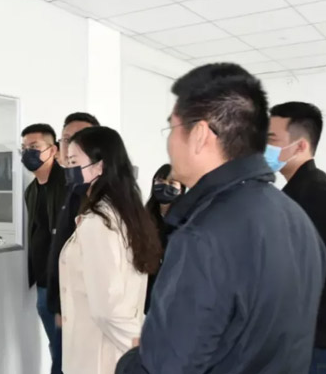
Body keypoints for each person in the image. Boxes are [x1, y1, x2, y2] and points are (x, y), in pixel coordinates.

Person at [116, 63, 326, 373]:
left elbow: (167, 366)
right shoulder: (295, 218)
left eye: (172, 128)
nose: (169, 143)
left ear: (200, 135)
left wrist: (132, 360)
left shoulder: (204, 234)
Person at [59, 126, 162, 374]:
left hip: (99, 355)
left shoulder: (99, 223)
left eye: (73, 162)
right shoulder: (124, 211)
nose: (68, 169)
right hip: (112, 349)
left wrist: (145, 350)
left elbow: (107, 308)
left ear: (99, 167)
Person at [267, 101, 326, 372]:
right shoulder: (293, 194)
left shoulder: (316, 195)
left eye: (271, 140)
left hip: (314, 341)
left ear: (300, 146)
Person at [21, 123, 67, 374]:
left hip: (65, 283)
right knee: (57, 347)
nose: (28, 153)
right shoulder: (31, 190)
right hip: (43, 280)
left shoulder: (68, 184)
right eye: (24, 148)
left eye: (34, 147)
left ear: (54, 149)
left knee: (67, 350)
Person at [46, 113, 100, 324]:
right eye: (67, 139)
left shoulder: (99, 196)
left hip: (86, 311)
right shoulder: (72, 187)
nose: (71, 146)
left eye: (81, 138)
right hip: (65, 304)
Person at [143, 163, 185, 314]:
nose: (165, 186)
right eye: (160, 181)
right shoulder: (143, 217)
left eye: (172, 183)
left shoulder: (186, 222)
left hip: (171, 295)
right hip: (144, 290)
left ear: (181, 189)